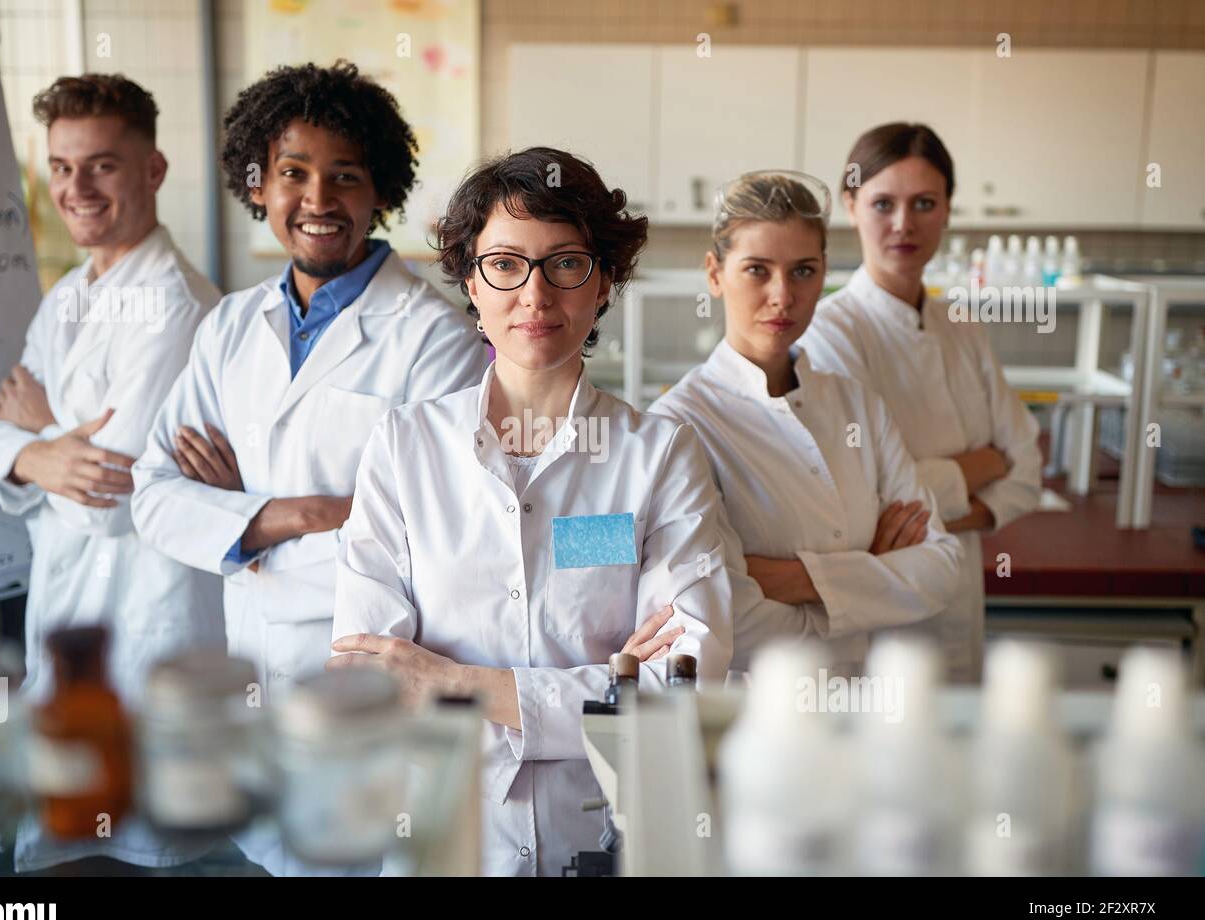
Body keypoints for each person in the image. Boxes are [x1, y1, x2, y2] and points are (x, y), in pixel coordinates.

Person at [326, 147, 751, 875]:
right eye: (505, 264)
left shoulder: (658, 457)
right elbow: (371, 678)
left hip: (607, 833)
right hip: (446, 837)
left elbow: (683, 682)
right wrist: (601, 684)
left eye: (566, 263)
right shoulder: (404, 448)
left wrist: (459, 683)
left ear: (604, 282)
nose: (535, 294)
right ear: (470, 278)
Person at [131, 61, 489, 702]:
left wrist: (232, 523)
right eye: (292, 172)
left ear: (380, 191)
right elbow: (153, 496)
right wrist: (297, 515)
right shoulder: (229, 326)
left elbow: (431, 541)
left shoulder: (437, 343)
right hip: (244, 655)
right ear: (260, 187)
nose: (317, 200)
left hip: (367, 676)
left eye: (344, 176)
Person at [0, 74, 224, 870]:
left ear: (152, 170)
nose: (76, 188)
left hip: (143, 619)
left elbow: (113, 497)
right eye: (62, 165)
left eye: (102, 165)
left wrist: (31, 435)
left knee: (131, 844)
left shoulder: (176, 306)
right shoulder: (71, 295)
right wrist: (40, 448)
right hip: (69, 608)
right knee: (72, 819)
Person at [651, 171, 962, 676]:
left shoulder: (858, 406)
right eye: (757, 269)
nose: (782, 296)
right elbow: (728, 619)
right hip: (747, 716)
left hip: (860, 708)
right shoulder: (679, 426)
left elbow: (943, 568)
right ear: (714, 273)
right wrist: (871, 572)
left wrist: (794, 581)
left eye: (803, 271)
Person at [799, 124, 1042, 682]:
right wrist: (981, 467)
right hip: (880, 621)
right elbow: (866, 501)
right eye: (884, 203)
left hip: (961, 600)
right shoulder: (830, 333)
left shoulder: (963, 329)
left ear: (948, 211)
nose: (904, 223)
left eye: (925, 204)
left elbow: (1025, 468)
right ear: (852, 205)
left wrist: (923, 514)